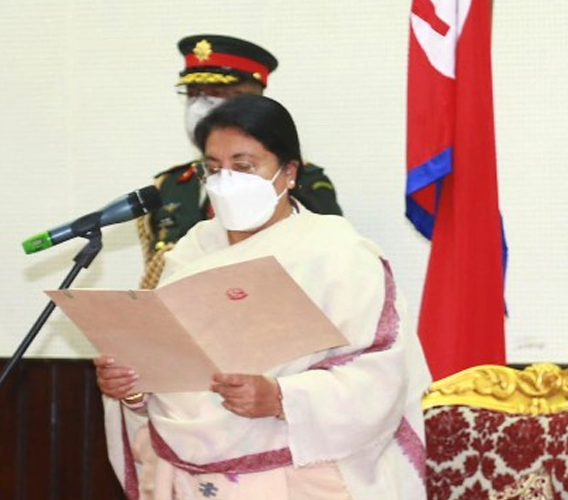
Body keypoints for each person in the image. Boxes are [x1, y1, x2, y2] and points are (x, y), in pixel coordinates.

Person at [96, 94, 431, 499]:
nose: (226, 181)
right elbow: (168, 363)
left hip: (302, 473)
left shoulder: (338, 253)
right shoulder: (190, 251)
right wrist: (133, 389)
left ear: (289, 172)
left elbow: (378, 376)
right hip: (188, 475)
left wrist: (281, 398)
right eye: (214, 168)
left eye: (243, 166)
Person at [139, 34, 342, 289]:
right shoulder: (174, 193)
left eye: (216, 93)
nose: (200, 107)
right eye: (193, 94)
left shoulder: (311, 194)